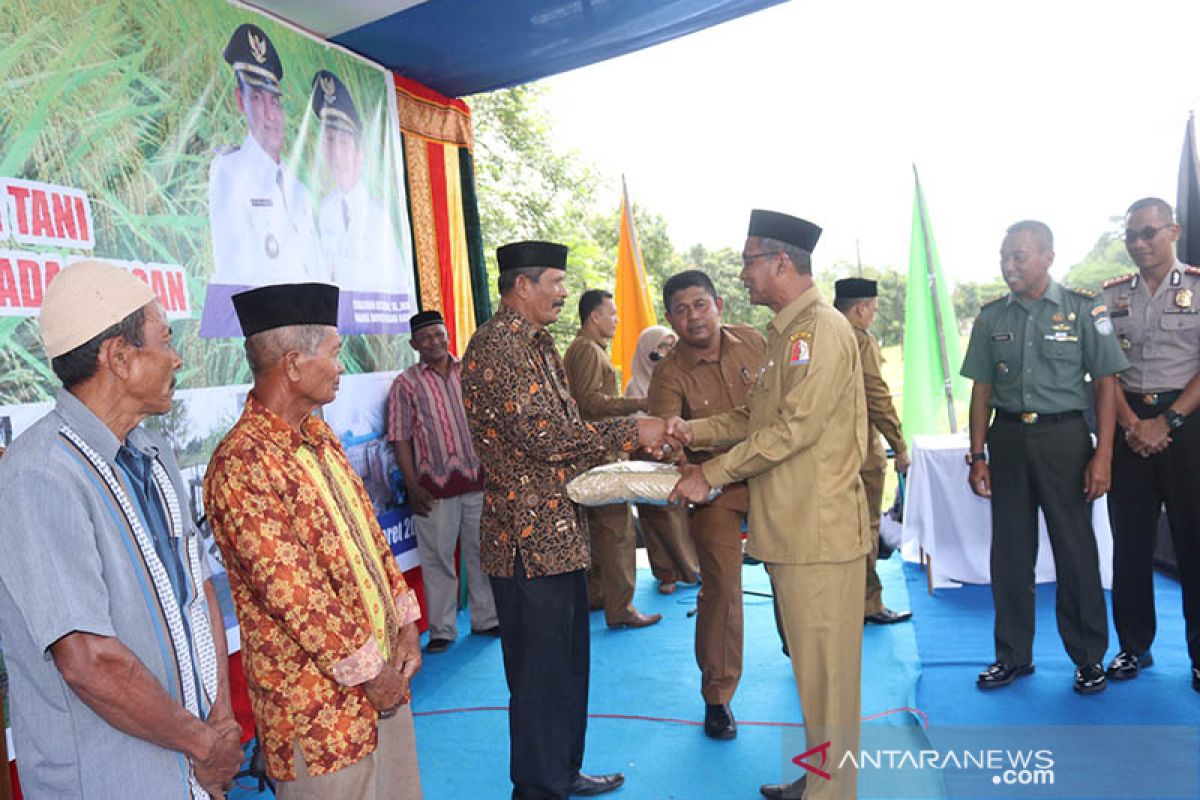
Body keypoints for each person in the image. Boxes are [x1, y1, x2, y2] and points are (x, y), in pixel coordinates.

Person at [0, 260, 241, 798]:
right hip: (113, 780)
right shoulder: (39, 474)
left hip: (195, 768)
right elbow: (90, 663)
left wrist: (220, 722)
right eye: (165, 340)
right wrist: (204, 744)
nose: (177, 358)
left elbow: (196, 593)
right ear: (119, 357)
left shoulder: (153, 454)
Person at [668, 211, 870, 800]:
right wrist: (689, 430)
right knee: (812, 678)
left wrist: (709, 475)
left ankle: (833, 794)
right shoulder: (787, 332)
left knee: (829, 682)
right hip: (794, 527)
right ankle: (817, 779)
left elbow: (793, 429)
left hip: (819, 531)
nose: (743, 272)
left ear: (783, 263)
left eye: (750, 259)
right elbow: (753, 419)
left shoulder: (820, 331)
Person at [461, 241, 667, 800]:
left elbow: (564, 428)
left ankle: (561, 771)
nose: (563, 292)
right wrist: (632, 432)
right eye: (555, 281)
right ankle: (537, 787)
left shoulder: (536, 343)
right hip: (526, 541)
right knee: (538, 678)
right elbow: (543, 437)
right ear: (521, 286)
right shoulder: (499, 347)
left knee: (568, 668)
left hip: (559, 533)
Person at [203, 283, 423, 798]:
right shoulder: (241, 463)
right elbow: (297, 599)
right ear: (294, 364)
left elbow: (371, 540)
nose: (342, 366)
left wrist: (406, 622)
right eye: (335, 352)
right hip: (318, 717)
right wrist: (374, 675)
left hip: (382, 684)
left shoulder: (319, 437)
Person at [961, 220, 1126, 695]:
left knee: (1076, 553)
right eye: (1004, 256)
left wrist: (1104, 455)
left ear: (1048, 257)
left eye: (1019, 256)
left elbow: (1106, 384)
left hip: (1065, 441)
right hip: (1008, 440)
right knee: (1010, 555)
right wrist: (977, 455)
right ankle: (1013, 656)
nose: (1009, 265)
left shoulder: (1081, 308)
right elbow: (982, 390)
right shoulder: (992, 317)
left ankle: (1089, 657)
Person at [649, 269, 767, 742]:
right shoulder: (669, 370)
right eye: (681, 309)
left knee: (794, 575)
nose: (693, 317)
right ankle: (717, 698)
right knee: (721, 588)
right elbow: (664, 437)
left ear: (719, 303)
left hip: (769, 478)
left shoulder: (755, 342)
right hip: (714, 491)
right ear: (671, 318)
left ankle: (805, 663)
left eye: (700, 305)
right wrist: (674, 455)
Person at [1101, 197, 1200, 692]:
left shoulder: (1199, 288)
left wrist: (1170, 420)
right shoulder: (1111, 297)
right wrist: (1133, 423)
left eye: (1148, 233)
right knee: (1131, 545)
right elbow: (1103, 369)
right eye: (1132, 235)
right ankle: (1133, 647)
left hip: (1187, 427)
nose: (1139, 243)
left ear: (1173, 231)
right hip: (1129, 428)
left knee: (1194, 542)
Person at [387, 309, 497, 655]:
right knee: (438, 560)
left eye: (439, 335)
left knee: (483, 554)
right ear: (414, 344)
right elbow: (400, 438)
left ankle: (487, 619)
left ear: (448, 335)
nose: (434, 342)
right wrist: (413, 485)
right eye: (426, 338)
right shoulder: (405, 385)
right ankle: (442, 630)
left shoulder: (472, 372)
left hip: (478, 482)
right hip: (433, 490)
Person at [563, 289, 661, 629]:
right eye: (613, 313)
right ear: (594, 317)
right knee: (617, 530)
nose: (617, 320)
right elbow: (590, 403)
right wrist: (638, 405)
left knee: (598, 530)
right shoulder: (588, 351)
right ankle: (621, 608)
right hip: (599, 452)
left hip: (592, 452)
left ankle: (600, 595)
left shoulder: (584, 349)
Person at [209, 23, 324, 286]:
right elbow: (233, 273)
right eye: (258, 99)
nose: (270, 115)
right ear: (241, 102)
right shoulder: (229, 171)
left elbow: (316, 271)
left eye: (275, 101)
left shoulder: (298, 188)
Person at [833, 278, 913, 625]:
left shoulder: (822, 332)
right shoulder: (858, 339)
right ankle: (867, 604)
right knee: (865, 527)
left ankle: (840, 602)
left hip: (826, 453)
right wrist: (899, 444)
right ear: (862, 307)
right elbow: (876, 394)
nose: (872, 317)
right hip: (860, 451)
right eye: (873, 310)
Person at [311, 69, 412, 297]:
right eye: (329, 141)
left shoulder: (379, 216)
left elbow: (398, 287)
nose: (336, 153)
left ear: (360, 153)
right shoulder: (325, 210)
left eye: (344, 143)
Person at [626, 325, 700, 596]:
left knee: (677, 514)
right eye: (661, 346)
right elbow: (631, 427)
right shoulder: (635, 386)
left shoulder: (677, 378)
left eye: (671, 345)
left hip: (675, 455)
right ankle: (665, 572)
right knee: (652, 518)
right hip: (645, 456)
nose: (667, 352)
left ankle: (689, 569)